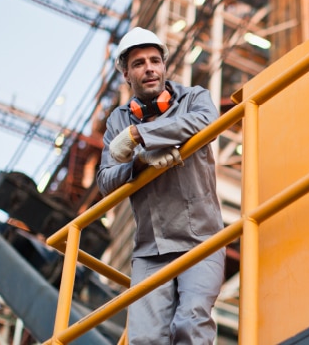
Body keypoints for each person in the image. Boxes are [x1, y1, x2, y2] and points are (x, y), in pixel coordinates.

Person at [96, 27, 225, 344]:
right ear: (126, 74)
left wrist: (142, 137)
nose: (149, 68)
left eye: (155, 60)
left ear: (165, 66)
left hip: (201, 240)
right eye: (139, 63)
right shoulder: (118, 121)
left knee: (191, 324)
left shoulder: (194, 98)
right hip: (150, 251)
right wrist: (138, 163)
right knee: (144, 340)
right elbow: (104, 181)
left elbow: (206, 121)